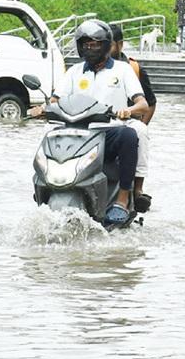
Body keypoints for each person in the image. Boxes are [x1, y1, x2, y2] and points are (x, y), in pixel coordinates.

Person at [39, 19, 148, 225]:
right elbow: (55, 101)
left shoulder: (123, 70)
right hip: (76, 130)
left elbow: (142, 104)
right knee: (47, 130)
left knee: (131, 134)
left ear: (106, 45)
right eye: (86, 44)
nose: (90, 48)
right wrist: (42, 110)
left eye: (96, 44)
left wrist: (127, 111)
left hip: (108, 131)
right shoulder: (74, 72)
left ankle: (123, 198)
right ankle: (43, 188)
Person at [110, 23, 156, 212]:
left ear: (120, 45)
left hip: (127, 122)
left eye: (108, 44)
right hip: (97, 120)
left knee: (140, 132)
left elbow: (150, 103)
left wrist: (140, 121)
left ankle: (137, 189)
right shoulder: (86, 69)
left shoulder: (133, 68)